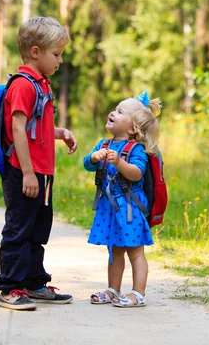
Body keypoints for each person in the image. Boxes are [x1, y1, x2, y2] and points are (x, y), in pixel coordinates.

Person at [0, 16, 79, 311]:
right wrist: (27, 173)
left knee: (37, 230)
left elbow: (35, 128)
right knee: (19, 229)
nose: (59, 60)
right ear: (35, 52)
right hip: (24, 171)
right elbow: (17, 130)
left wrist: (60, 133)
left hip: (43, 173)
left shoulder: (41, 84)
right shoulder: (23, 85)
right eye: (56, 54)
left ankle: (33, 282)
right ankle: (10, 287)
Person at [84, 91, 161, 307]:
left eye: (120, 112)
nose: (112, 112)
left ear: (132, 128)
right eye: (115, 108)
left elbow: (137, 173)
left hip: (130, 209)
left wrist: (119, 162)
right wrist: (93, 158)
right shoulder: (103, 143)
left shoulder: (136, 149)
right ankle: (113, 289)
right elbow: (87, 165)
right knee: (114, 251)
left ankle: (139, 293)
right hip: (110, 208)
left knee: (135, 252)